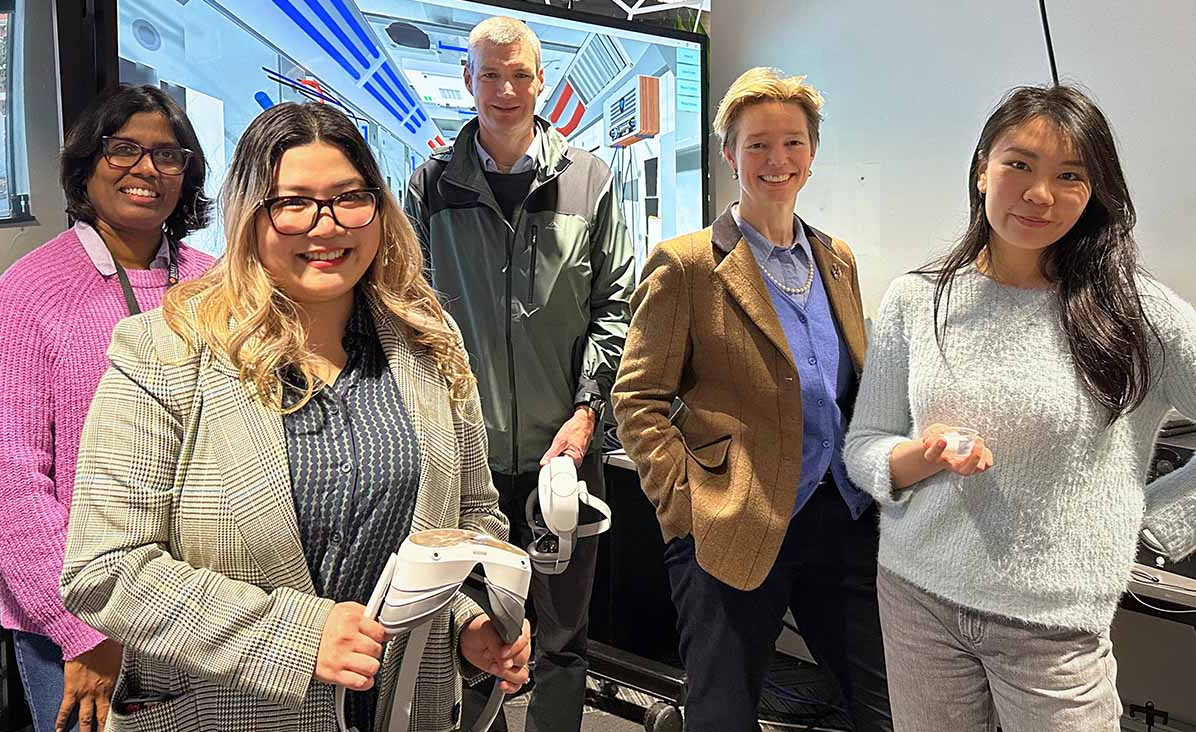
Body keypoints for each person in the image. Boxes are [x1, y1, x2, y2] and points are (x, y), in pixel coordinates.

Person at [59, 102, 531, 732]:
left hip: (400, 710)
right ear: (251, 215)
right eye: (293, 203)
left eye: (348, 198)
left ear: (380, 209)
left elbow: (471, 519)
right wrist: (298, 637)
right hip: (224, 713)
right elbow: (104, 569)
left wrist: (472, 617)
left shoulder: (428, 338)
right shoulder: (166, 349)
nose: (326, 226)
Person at [844, 84, 1196, 731]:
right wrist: (919, 458)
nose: (1040, 194)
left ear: (1094, 193)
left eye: (1070, 176)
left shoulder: (1135, 314)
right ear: (983, 168)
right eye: (1020, 164)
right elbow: (864, 443)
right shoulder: (917, 299)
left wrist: (1160, 518)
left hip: (1055, 631)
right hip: (916, 595)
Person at [612, 67, 893, 732]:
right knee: (723, 714)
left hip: (842, 518)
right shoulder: (687, 266)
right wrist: (686, 505)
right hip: (733, 521)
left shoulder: (838, 259)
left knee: (891, 708)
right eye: (759, 143)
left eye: (793, 143)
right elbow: (637, 398)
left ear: (813, 154)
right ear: (730, 153)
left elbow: (850, 384)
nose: (778, 160)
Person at [404, 16, 633, 732]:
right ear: (468, 81)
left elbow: (617, 307)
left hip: (564, 456)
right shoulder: (431, 186)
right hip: (466, 459)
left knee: (564, 639)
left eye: (521, 75)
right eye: (490, 75)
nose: (506, 89)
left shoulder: (590, 179)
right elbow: (409, 310)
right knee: (480, 634)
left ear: (540, 83)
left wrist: (588, 413)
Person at [0, 84, 214, 732]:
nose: (147, 169)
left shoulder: (218, 284)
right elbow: (6, 479)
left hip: (201, 606)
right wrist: (78, 627)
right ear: (87, 163)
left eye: (168, 155)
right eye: (124, 149)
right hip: (84, 625)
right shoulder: (28, 292)